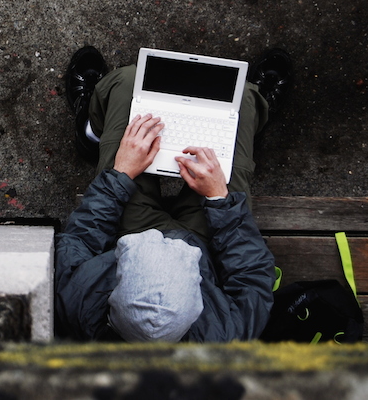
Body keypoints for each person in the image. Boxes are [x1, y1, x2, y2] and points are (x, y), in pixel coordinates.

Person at [55, 46, 292, 342]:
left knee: (126, 83)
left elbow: (81, 238)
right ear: (197, 304)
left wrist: (121, 174)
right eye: (181, 257)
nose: (168, 240)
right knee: (241, 98)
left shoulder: (79, 303)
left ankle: (92, 131)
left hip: (129, 231)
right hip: (207, 245)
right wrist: (219, 199)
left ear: (114, 292)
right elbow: (253, 274)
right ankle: (252, 112)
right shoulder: (226, 335)